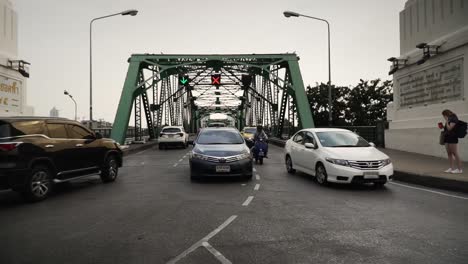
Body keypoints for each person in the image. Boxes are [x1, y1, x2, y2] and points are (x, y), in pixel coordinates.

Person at [442, 109, 463, 174]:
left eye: (444, 115)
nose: (443, 117)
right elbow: (447, 128)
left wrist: (446, 121)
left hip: (452, 138)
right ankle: (451, 168)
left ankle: (459, 169)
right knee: (449, 153)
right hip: (447, 137)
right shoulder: (450, 119)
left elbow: (450, 128)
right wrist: (443, 126)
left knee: (454, 153)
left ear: (446, 114)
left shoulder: (453, 118)